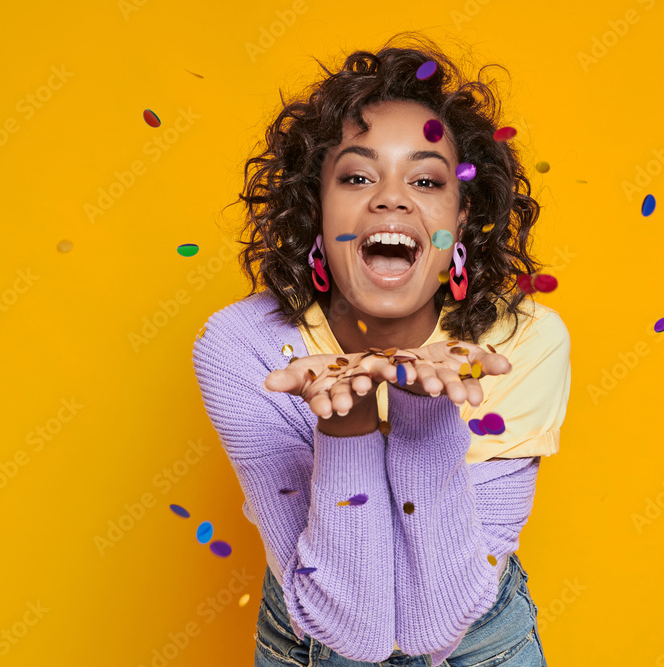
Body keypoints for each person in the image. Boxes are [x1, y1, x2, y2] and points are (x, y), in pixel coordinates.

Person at [192, 32, 570, 667]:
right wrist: (345, 423)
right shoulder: (248, 348)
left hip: (482, 645)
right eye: (358, 175)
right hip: (310, 643)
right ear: (314, 206)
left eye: (425, 180)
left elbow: (437, 625)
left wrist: (424, 414)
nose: (390, 198)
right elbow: (356, 631)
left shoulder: (521, 341)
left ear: (461, 216)